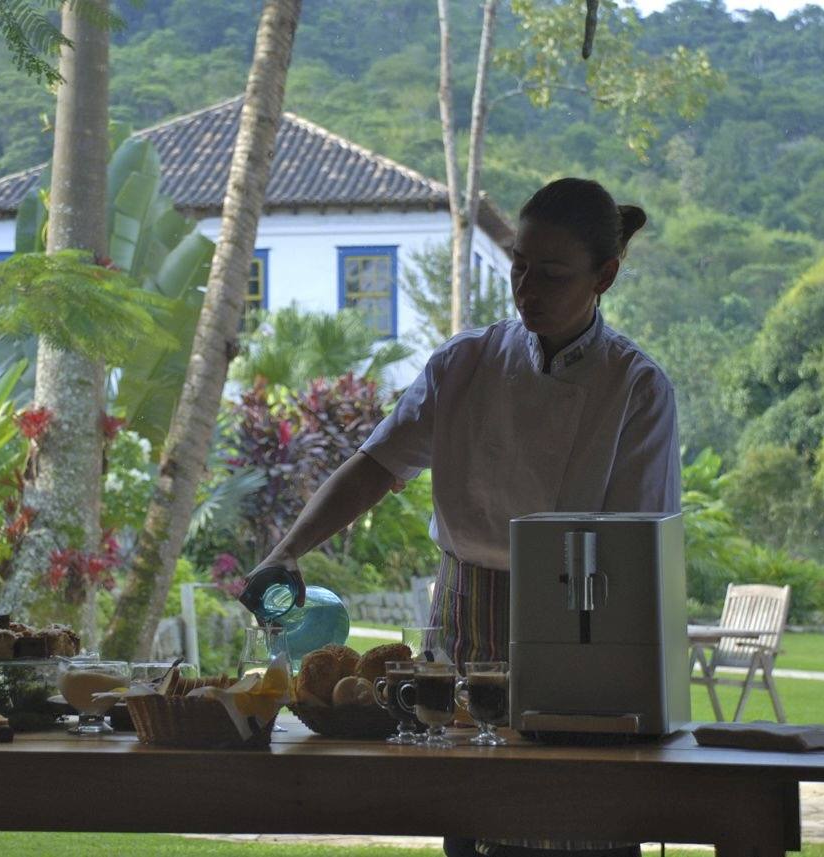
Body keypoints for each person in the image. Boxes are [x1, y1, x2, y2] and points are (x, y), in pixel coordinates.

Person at [244, 177, 681, 857]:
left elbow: (633, 548)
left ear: (607, 275)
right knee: (469, 817)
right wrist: (287, 551)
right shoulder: (465, 363)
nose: (526, 289)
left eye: (552, 274)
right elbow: (375, 464)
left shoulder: (636, 387)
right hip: (463, 620)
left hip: (581, 622)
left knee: (577, 819)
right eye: (519, 266)